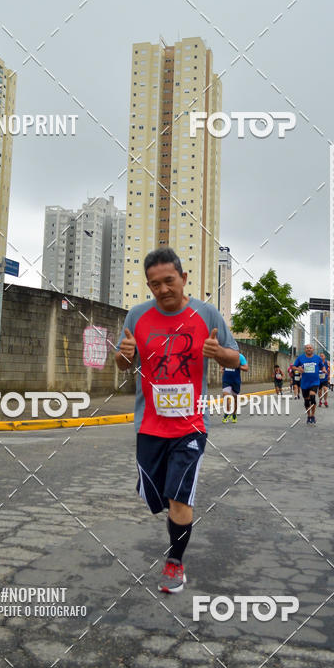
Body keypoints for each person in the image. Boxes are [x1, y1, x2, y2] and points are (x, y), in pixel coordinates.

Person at [115, 247, 241, 594]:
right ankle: (167, 512)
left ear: (184, 278)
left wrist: (222, 354)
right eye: (154, 284)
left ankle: (174, 562)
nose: (163, 289)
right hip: (149, 425)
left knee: (179, 498)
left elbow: (237, 361)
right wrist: (123, 358)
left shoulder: (207, 315)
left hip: (191, 426)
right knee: (156, 499)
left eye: (169, 281)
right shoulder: (136, 317)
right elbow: (123, 363)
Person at [292, 344, 323, 424]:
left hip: (315, 382)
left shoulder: (317, 358)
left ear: (313, 349)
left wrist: (324, 370)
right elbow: (293, 367)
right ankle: (308, 416)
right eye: (307, 348)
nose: (309, 349)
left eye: (310, 348)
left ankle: (313, 415)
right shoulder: (300, 358)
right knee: (306, 401)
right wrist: (298, 368)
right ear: (305, 350)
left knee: (312, 397)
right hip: (304, 383)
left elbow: (322, 367)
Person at [221, 351, 249, 423]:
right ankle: (227, 413)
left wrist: (238, 366)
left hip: (236, 381)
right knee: (225, 396)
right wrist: (222, 369)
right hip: (226, 380)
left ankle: (234, 414)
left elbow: (246, 368)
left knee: (235, 399)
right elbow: (222, 365)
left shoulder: (240, 357)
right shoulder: (225, 355)